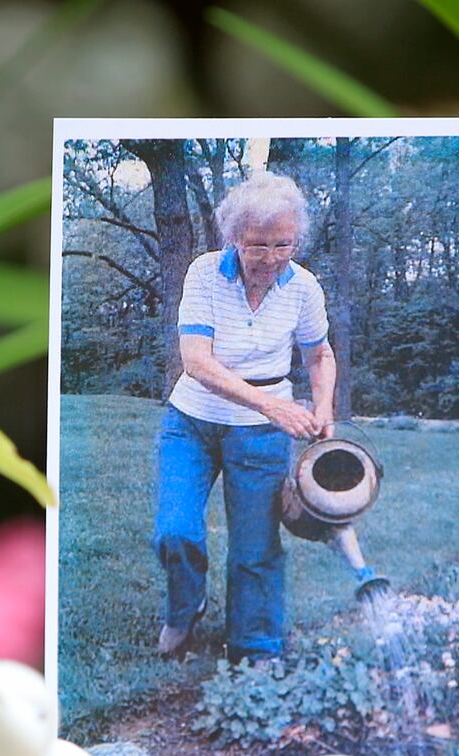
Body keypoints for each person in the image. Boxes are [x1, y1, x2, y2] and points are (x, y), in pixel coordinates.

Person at [153, 170, 337, 661]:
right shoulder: (204, 273)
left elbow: (319, 355)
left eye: (284, 245)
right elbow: (196, 361)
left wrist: (323, 407)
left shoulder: (304, 288)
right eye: (258, 246)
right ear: (234, 238)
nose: (272, 259)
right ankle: (185, 607)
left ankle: (254, 649)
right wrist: (274, 405)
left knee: (256, 550)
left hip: (259, 435)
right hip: (193, 419)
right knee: (176, 530)